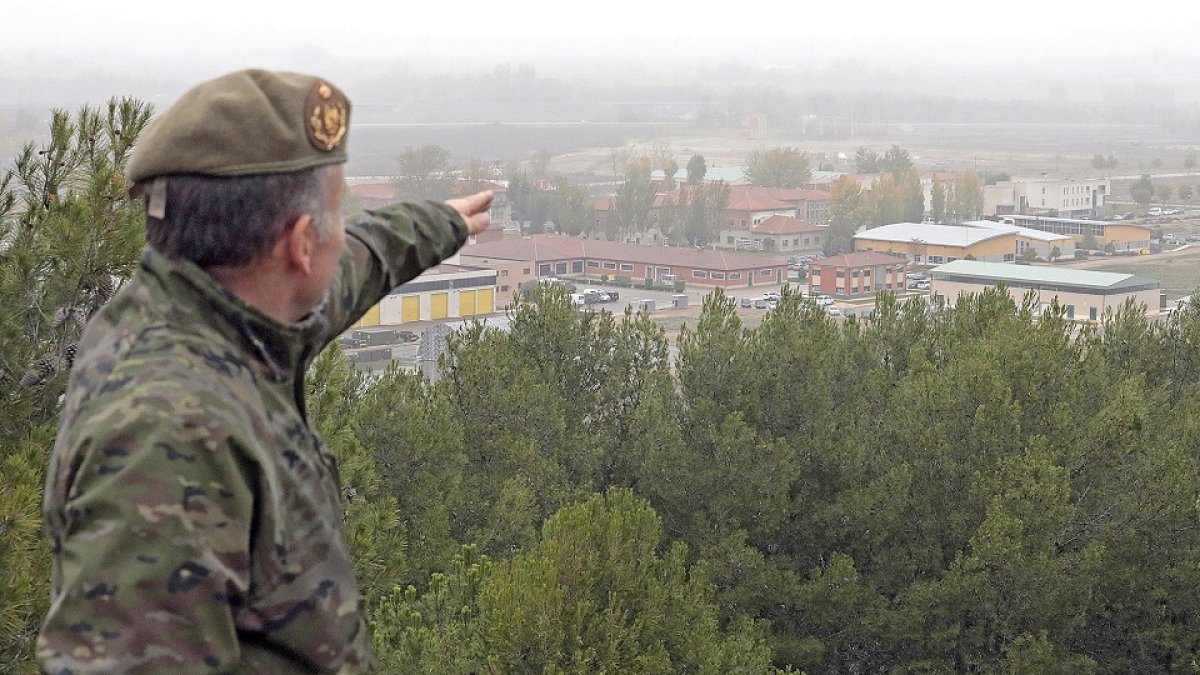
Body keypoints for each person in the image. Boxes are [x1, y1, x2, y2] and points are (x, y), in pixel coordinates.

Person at [37, 69, 492, 673]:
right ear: (301, 246)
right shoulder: (168, 433)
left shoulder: (220, 313)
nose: (343, 235)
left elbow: (359, 261)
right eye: (337, 215)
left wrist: (444, 223)